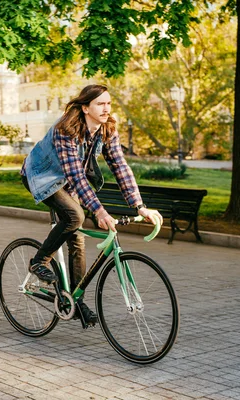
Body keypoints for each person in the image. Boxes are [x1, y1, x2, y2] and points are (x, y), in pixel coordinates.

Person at [20, 84, 163, 324]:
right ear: (85, 107)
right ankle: (39, 261)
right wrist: (99, 211)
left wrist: (139, 206)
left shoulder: (107, 129)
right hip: (41, 176)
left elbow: (120, 166)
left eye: (108, 103)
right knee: (75, 217)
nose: (106, 108)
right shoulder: (65, 130)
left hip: (66, 179)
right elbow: (76, 175)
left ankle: (75, 301)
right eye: (100, 104)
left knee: (77, 237)